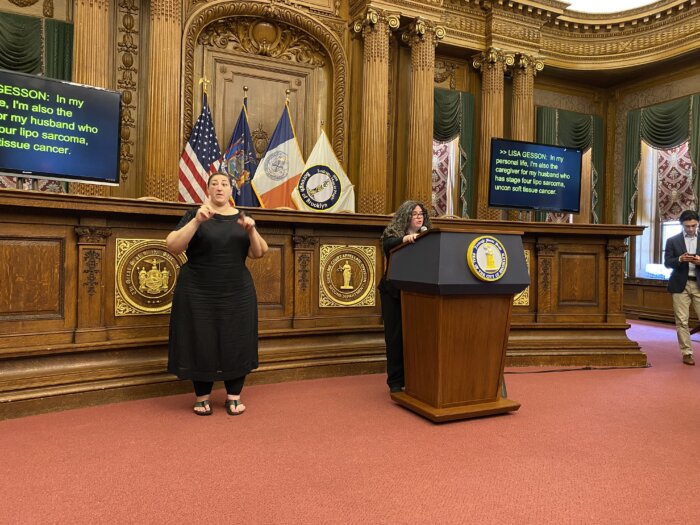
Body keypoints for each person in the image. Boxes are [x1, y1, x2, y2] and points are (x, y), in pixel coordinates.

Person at [166, 172, 269, 415]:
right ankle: (202, 396)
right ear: (208, 189)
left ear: (231, 190)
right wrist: (197, 222)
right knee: (200, 338)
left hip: (236, 290)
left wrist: (252, 231)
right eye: (215, 184)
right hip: (198, 289)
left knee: (237, 337)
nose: (220, 188)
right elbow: (172, 246)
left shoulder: (243, 218)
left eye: (225, 184)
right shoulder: (195, 214)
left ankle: (234, 395)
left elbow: (259, 253)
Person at [378, 200, 432, 392]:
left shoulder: (427, 236)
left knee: (416, 337)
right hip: (393, 293)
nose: (419, 217)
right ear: (405, 216)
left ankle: (415, 378)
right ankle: (395, 381)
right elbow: (389, 246)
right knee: (395, 338)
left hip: (418, 293)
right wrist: (405, 239)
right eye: (414, 214)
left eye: (421, 214)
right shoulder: (393, 235)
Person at [664, 209, 700, 366]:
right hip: (680, 284)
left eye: (693, 226)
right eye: (687, 226)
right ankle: (687, 353)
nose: (691, 229)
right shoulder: (672, 240)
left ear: (698, 224)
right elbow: (667, 263)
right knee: (682, 321)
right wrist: (680, 259)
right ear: (681, 225)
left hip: (699, 284)